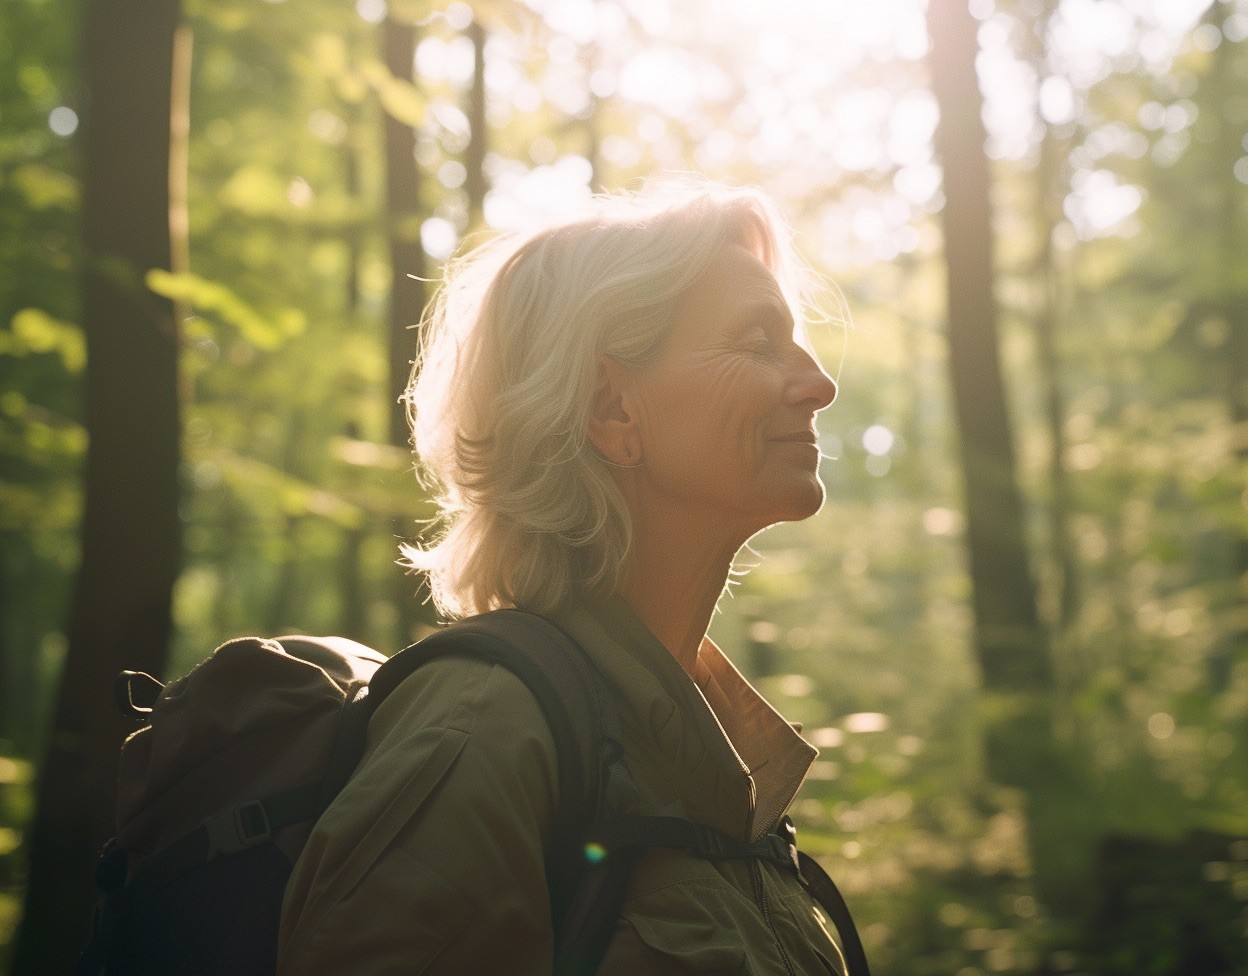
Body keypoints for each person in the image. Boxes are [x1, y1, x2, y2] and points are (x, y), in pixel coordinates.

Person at [277, 179, 845, 974]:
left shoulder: (715, 768)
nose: (819, 384)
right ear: (612, 407)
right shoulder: (483, 730)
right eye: (758, 341)